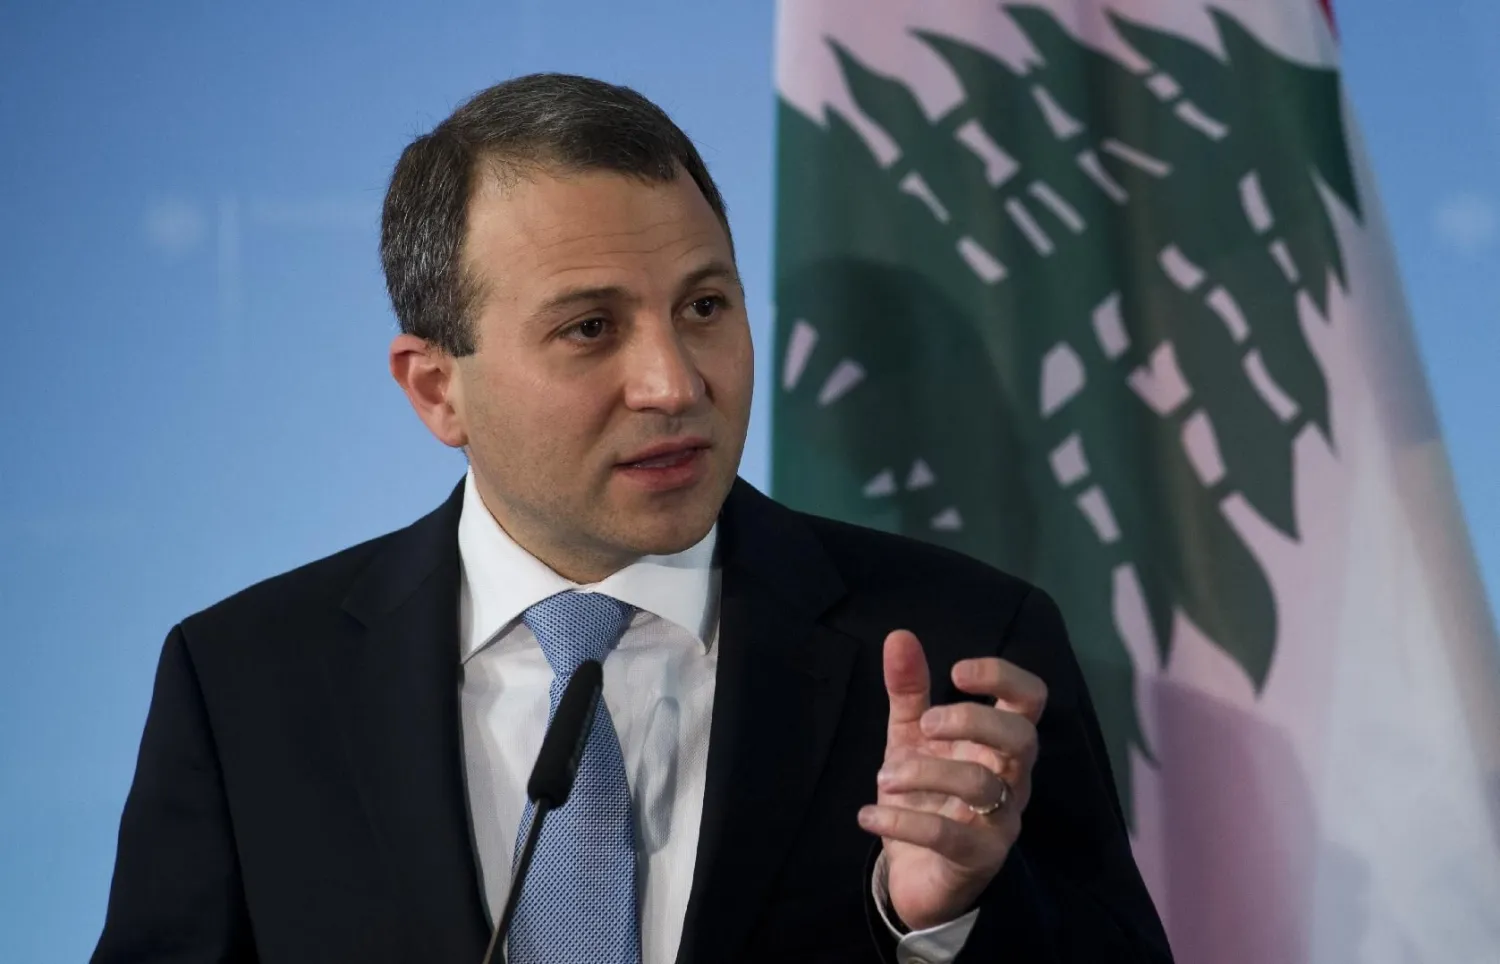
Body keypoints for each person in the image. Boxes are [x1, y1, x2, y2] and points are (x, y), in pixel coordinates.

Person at [91, 73, 1172, 964]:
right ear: (436, 391)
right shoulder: (246, 685)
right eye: (590, 327)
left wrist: (945, 919)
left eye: (704, 307)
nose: (672, 380)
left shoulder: (962, 648)